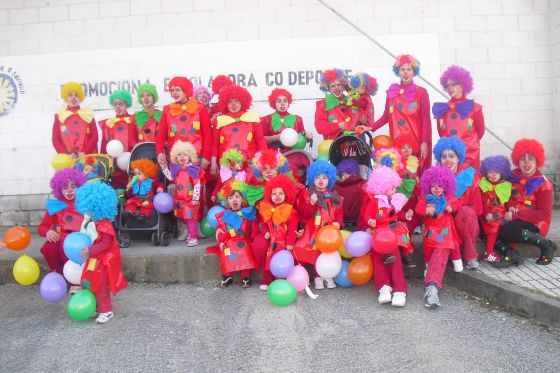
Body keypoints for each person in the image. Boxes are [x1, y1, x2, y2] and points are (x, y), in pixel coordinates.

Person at [493, 139, 557, 267]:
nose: (526, 162)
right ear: (517, 160)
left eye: (531, 159)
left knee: (507, 230)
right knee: (487, 223)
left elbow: (543, 214)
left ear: (537, 161)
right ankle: (511, 254)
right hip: (513, 218)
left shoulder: (544, 184)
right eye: (522, 158)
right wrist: (510, 208)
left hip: (535, 221)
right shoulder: (512, 177)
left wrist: (516, 215)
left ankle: (547, 244)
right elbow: (507, 198)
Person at [75, 182, 127, 324]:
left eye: (89, 208)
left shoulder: (104, 224)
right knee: (91, 282)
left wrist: (90, 251)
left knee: (101, 285)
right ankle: (96, 307)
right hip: (94, 259)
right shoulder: (95, 223)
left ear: (97, 207)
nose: (87, 211)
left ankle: (106, 310)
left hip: (104, 261)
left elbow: (105, 244)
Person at [362, 166, 411, 306]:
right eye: (391, 188)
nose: (394, 191)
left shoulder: (395, 200)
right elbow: (367, 215)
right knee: (377, 259)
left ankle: (399, 289)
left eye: (395, 188)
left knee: (394, 260)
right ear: (381, 187)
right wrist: (370, 221)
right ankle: (383, 287)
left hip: (392, 233)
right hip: (377, 233)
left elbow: (400, 214)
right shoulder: (374, 201)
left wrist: (406, 215)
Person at [373, 55, 432, 170]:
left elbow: (425, 120)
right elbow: (386, 116)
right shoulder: (392, 91)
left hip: (416, 141)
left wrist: (424, 142)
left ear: (414, 72)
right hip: (397, 141)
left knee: (415, 174)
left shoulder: (421, 92)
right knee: (400, 174)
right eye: (402, 69)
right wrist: (370, 127)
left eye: (409, 69)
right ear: (398, 72)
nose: (406, 72)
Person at [433, 136, 483, 271]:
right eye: (444, 157)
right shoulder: (433, 177)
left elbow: (478, 209)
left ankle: (470, 255)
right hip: (442, 222)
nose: (447, 160)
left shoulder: (469, 178)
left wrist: (456, 208)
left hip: (466, 225)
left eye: (451, 156)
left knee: (465, 212)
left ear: (458, 158)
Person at [416, 166, 462, 309]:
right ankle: (431, 279)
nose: (436, 189)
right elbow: (418, 209)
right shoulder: (425, 198)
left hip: (445, 232)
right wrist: (426, 210)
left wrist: (450, 207)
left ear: (446, 186)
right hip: (430, 233)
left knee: (440, 251)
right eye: (433, 186)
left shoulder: (448, 198)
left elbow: (457, 202)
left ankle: (432, 287)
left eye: (440, 186)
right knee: (431, 253)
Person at [294, 160, 343, 290]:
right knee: (315, 252)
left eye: (325, 178)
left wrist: (338, 222)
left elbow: (339, 211)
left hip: (329, 230)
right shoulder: (308, 194)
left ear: (330, 180)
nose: (321, 181)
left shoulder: (333, 195)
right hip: (313, 230)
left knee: (328, 251)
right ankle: (317, 276)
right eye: (317, 177)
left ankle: (329, 275)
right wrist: (311, 202)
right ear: (312, 179)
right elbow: (304, 212)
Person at [38, 169, 86, 285]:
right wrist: (48, 232)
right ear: (59, 189)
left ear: (79, 186)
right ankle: (61, 277)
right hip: (61, 238)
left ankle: (76, 281)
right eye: (65, 187)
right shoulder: (56, 205)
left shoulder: (84, 203)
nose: (69, 190)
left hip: (80, 239)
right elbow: (41, 227)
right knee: (49, 248)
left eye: (73, 186)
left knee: (69, 249)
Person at [433, 65, 485, 170]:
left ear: (462, 85)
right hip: (449, 156)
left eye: (453, 85)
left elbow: (480, 131)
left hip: (470, 155)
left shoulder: (474, 108)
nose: (449, 88)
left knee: (469, 184)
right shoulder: (442, 109)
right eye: (447, 86)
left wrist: (469, 145)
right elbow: (441, 133)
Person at [156, 76, 212, 172]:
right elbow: (161, 134)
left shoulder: (200, 108)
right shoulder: (167, 110)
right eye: (172, 90)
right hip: (176, 160)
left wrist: (206, 156)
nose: (174, 93)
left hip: (196, 158)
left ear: (185, 90)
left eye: (177, 90)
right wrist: (159, 152)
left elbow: (207, 135)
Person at [210, 85, 268, 176]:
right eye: (230, 102)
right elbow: (214, 144)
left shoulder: (253, 118)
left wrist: (265, 159)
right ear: (225, 103)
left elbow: (260, 140)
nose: (233, 105)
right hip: (227, 165)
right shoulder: (220, 121)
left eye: (236, 101)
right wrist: (213, 163)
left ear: (242, 102)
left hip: (250, 163)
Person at [213, 180, 259, 288]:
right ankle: (227, 275)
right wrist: (221, 241)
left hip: (244, 241)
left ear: (242, 199)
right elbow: (220, 230)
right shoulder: (225, 216)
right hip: (229, 242)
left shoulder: (248, 213)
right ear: (226, 201)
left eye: (237, 196)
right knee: (227, 251)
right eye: (230, 197)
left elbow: (254, 228)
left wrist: (253, 240)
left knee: (245, 250)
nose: (234, 199)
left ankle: (245, 276)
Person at [257, 174, 299, 290]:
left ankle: (279, 280)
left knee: (281, 260)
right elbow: (264, 222)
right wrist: (265, 231)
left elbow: (292, 228)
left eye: (280, 193)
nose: (277, 196)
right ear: (270, 195)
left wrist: (290, 242)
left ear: (286, 195)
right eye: (274, 194)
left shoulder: (290, 211)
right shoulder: (267, 208)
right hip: (272, 242)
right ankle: (266, 280)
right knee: (268, 260)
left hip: (284, 242)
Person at [166, 141, 204, 247]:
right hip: (181, 199)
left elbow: (197, 184)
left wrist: (196, 198)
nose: (182, 157)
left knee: (192, 219)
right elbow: (170, 177)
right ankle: (191, 235)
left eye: (185, 154)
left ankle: (193, 237)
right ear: (175, 158)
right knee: (186, 218)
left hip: (190, 199)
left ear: (190, 156)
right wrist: (164, 167)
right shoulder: (177, 170)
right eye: (179, 155)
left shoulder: (192, 169)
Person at [99, 89, 138, 189]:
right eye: (115, 104)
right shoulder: (109, 123)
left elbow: (136, 140)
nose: (117, 106)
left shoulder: (133, 120)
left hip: (130, 162)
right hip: (115, 166)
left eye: (120, 104)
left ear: (126, 105)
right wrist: (106, 163)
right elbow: (105, 144)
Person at [478, 155, 512, 263]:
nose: (493, 175)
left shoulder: (505, 185)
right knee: (494, 228)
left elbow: (507, 201)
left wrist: (510, 209)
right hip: (488, 213)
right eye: (490, 172)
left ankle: (508, 252)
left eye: (496, 172)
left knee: (507, 226)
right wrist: (486, 213)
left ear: (502, 173)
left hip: (500, 213)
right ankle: (488, 253)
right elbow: (482, 201)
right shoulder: (483, 184)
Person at [314, 68, 364, 140]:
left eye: (338, 85)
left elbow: (362, 117)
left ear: (343, 86)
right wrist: (338, 125)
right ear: (328, 88)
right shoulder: (323, 105)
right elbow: (319, 127)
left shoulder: (351, 101)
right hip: (333, 145)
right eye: (333, 86)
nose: (336, 88)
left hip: (353, 143)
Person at [52, 81, 98, 157]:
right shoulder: (59, 116)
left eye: (76, 95)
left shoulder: (87, 114)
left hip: (87, 158)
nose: (73, 97)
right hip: (67, 159)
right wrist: (65, 155)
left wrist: (85, 152)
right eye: (70, 95)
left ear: (80, 97)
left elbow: (94, 136)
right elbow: (56, 140)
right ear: (66, 98)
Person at [333, 159, 366, 224]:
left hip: (354, 222)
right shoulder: (336, 186)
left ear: (354, 173)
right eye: (342, 174)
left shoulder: (361, 185)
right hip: (342, 222)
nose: (344, 176)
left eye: (347, 173)